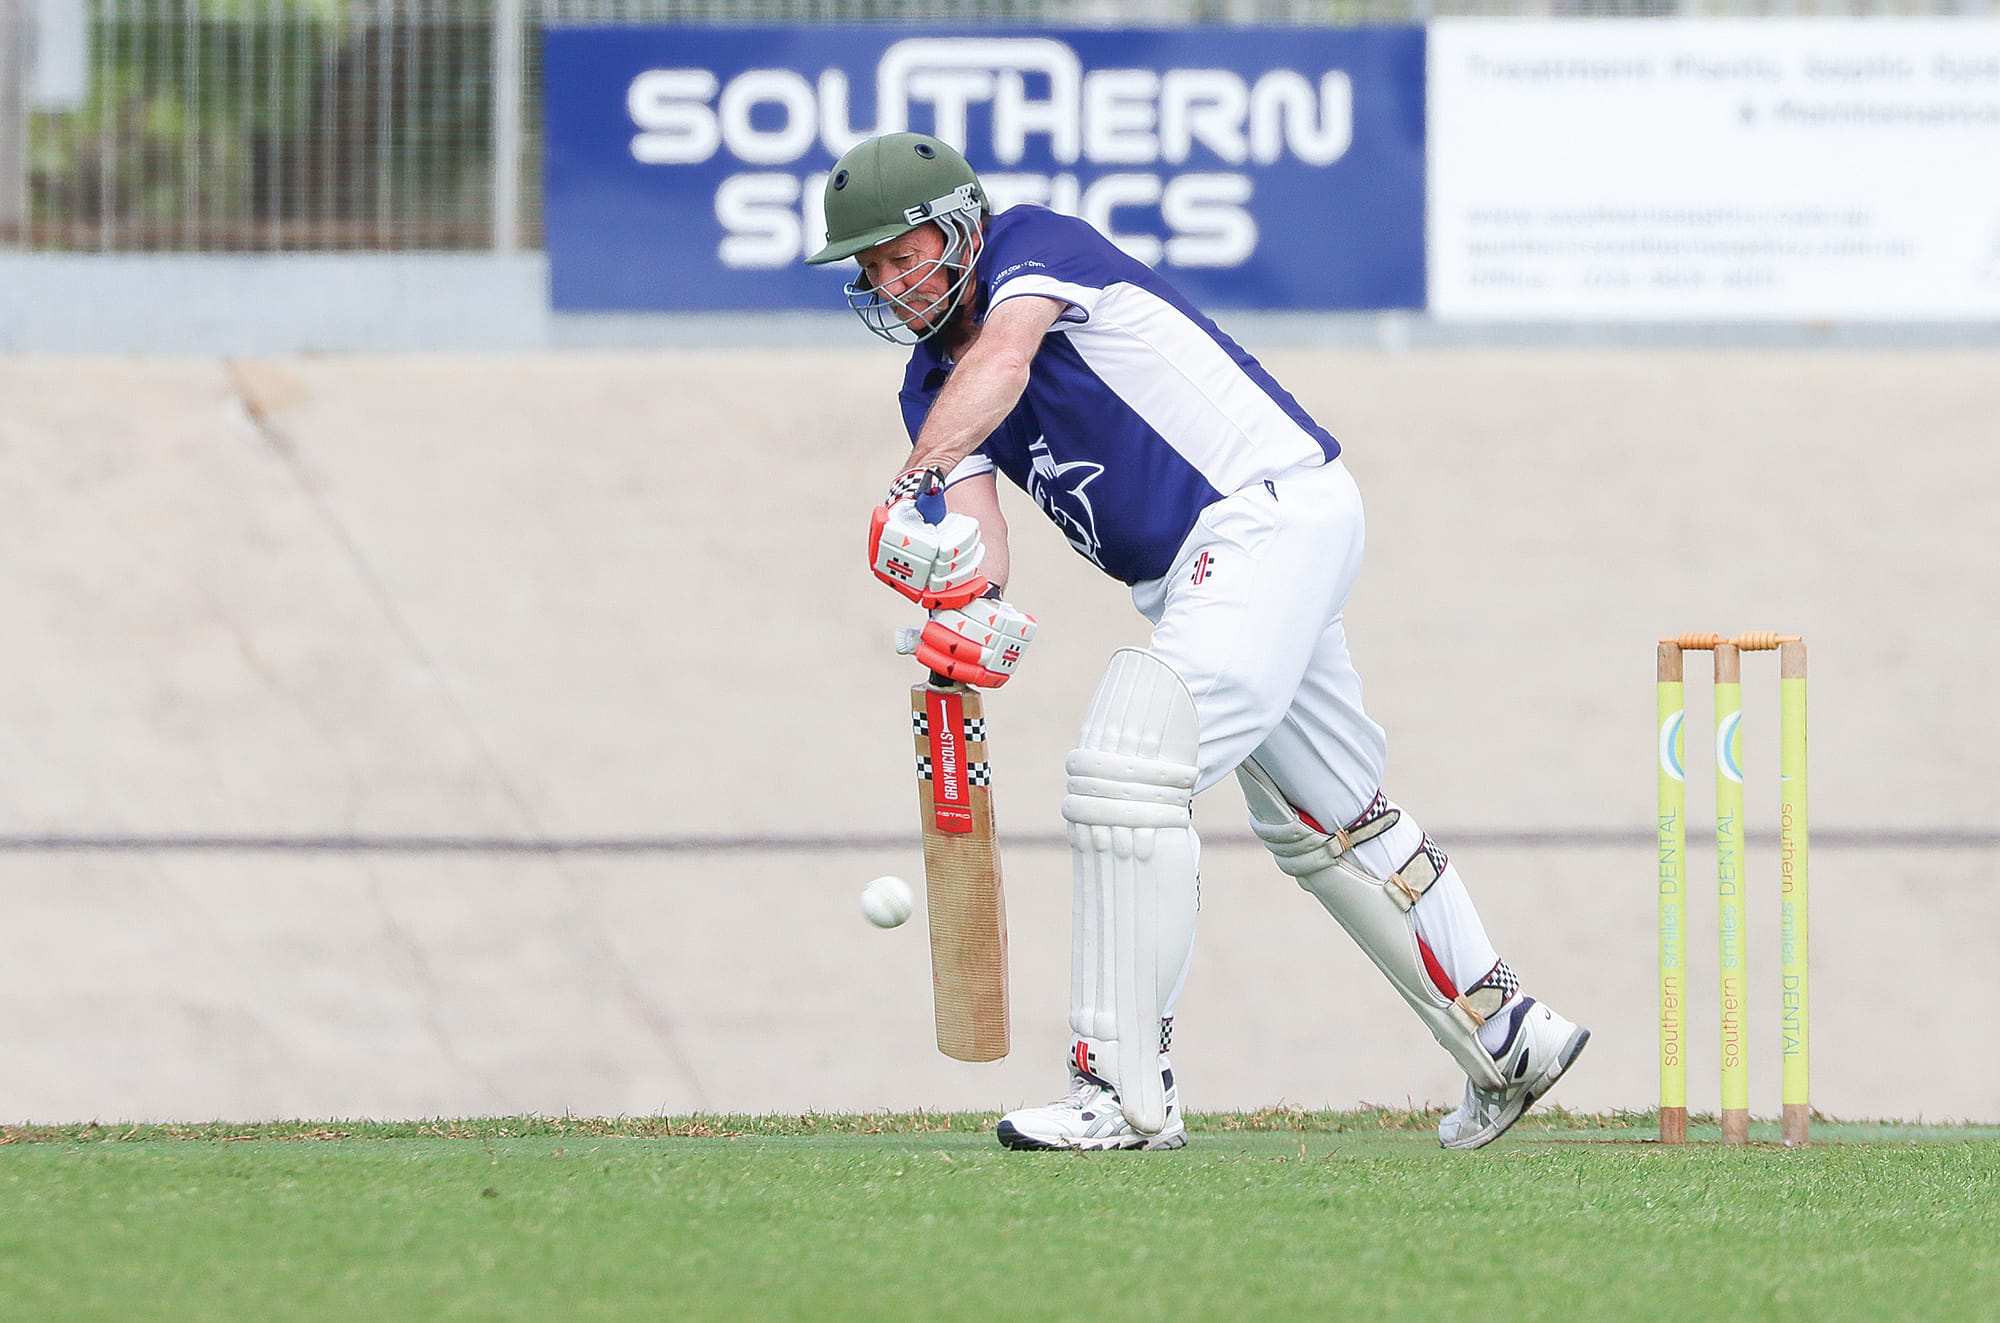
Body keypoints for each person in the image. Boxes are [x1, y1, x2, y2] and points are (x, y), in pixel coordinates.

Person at [807, 131, 1588, 1152]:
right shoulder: (927, 388)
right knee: (1327, 822)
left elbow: (1003, 360)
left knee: (1127, 767)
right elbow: (977, 536)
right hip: (1214, 567)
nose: (888, 283)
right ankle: (1507, 1035)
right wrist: (964, 604)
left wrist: (908, 479)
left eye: (901, 256)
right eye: (869, 269)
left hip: (1259, 515)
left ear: (960, 229)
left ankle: (1121, 1089)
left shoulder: (1034, 247)